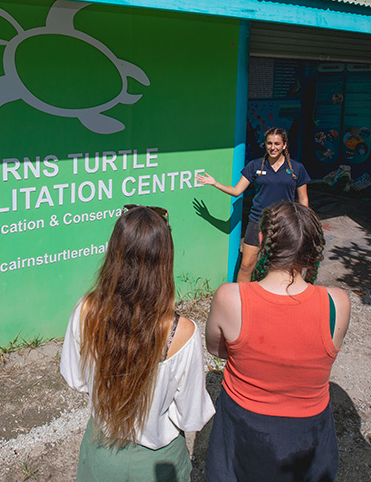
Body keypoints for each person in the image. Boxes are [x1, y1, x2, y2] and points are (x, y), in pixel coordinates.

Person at [60, 205, 215, 482]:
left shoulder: (86, 311)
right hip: (159, 460)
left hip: (101, 451)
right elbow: (191, 416)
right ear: (165, 258)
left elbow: (76, 379)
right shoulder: (182, 332)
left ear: (114, 252)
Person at [204, 201, 351, 482]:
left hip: (242, 429)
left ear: (261, 240)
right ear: (313, 249)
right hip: (309, 433)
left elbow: (217, 349)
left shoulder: (230, 297)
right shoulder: (338, 302)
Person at [197, 127, 310, 282]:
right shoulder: (255, 166)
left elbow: (303, 200)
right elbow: (237, 191)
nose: (273, 147)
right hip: (258, 221)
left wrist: (303, 223)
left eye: (277, 144)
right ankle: (241, 295)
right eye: (269, 143)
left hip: (284, 222)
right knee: (246, 265)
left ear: (284, 145)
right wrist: (215, 183)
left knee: (285, 265)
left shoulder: (297, 168)